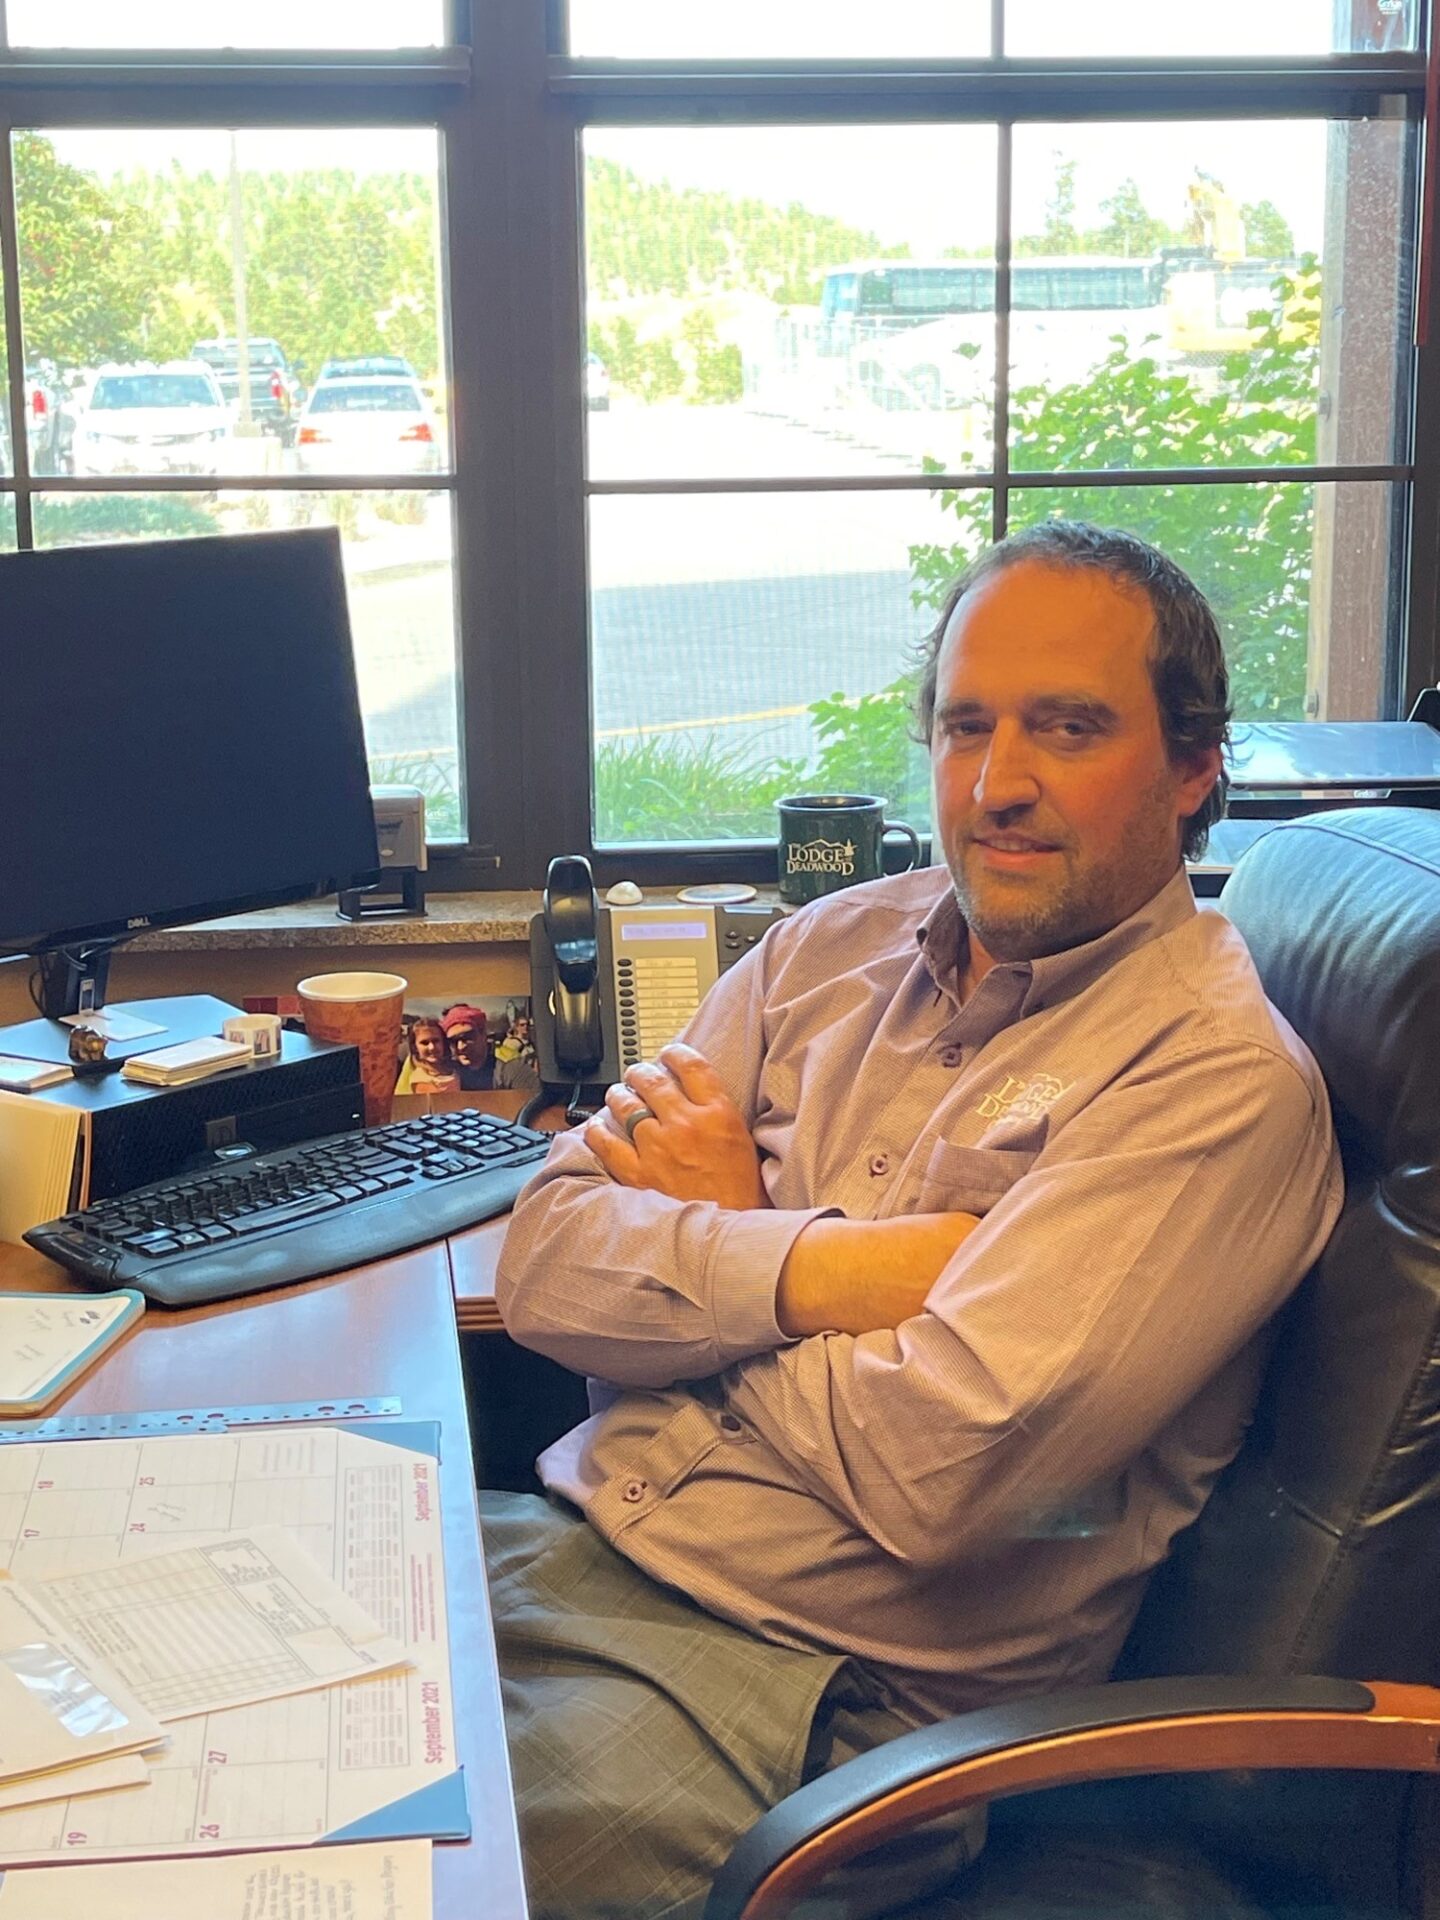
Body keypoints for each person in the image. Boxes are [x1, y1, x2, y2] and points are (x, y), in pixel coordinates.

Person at [491, 522, 1343, 1920]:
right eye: (965, 726)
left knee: (330, 1879)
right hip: (566, 1546)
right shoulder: (824, 949)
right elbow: (542, 1263)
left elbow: (932, 1479)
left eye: (1068, 728)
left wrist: (713, 1243)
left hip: (813, 1712)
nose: (998, 785)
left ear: (1193, 768)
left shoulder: (1214, 1085)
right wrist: (837, 1267)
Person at [394, 1017, 458, 1094]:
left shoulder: (456, 1070)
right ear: (415, 1047)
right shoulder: (419, 1077)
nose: (432, 1047)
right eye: (424, 1043)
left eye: (436, 1041)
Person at [439, 1003, 491, 1089]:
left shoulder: (505, 1072)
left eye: (467, 1037)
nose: (460, 1047)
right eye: (453, 1041)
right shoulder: (449, 1075)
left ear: (483, 1034)